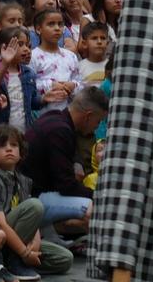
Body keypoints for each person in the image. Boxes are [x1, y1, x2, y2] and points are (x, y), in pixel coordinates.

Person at [0, 124, 72, 280]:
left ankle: (22, 261)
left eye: (14, 145)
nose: (9, 149)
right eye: (2, 146)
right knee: (35, 205)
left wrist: (34, 245)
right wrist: (24, 252)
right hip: (0, 240)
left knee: (65, 258)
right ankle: (13, 261)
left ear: (20, 152)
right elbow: (0, 224)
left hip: (20, 238)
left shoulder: (23, 180)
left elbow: (33, 220)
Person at [23, 86, 103, 234]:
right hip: (32, 200)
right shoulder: (60, 130)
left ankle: (51, 234)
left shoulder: (56, 117)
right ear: (88, 116)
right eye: (98, 121)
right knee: (95, 208)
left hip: (39, 193)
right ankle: (47, 233)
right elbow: (66, 185)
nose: (96, 127)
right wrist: (99, 195)